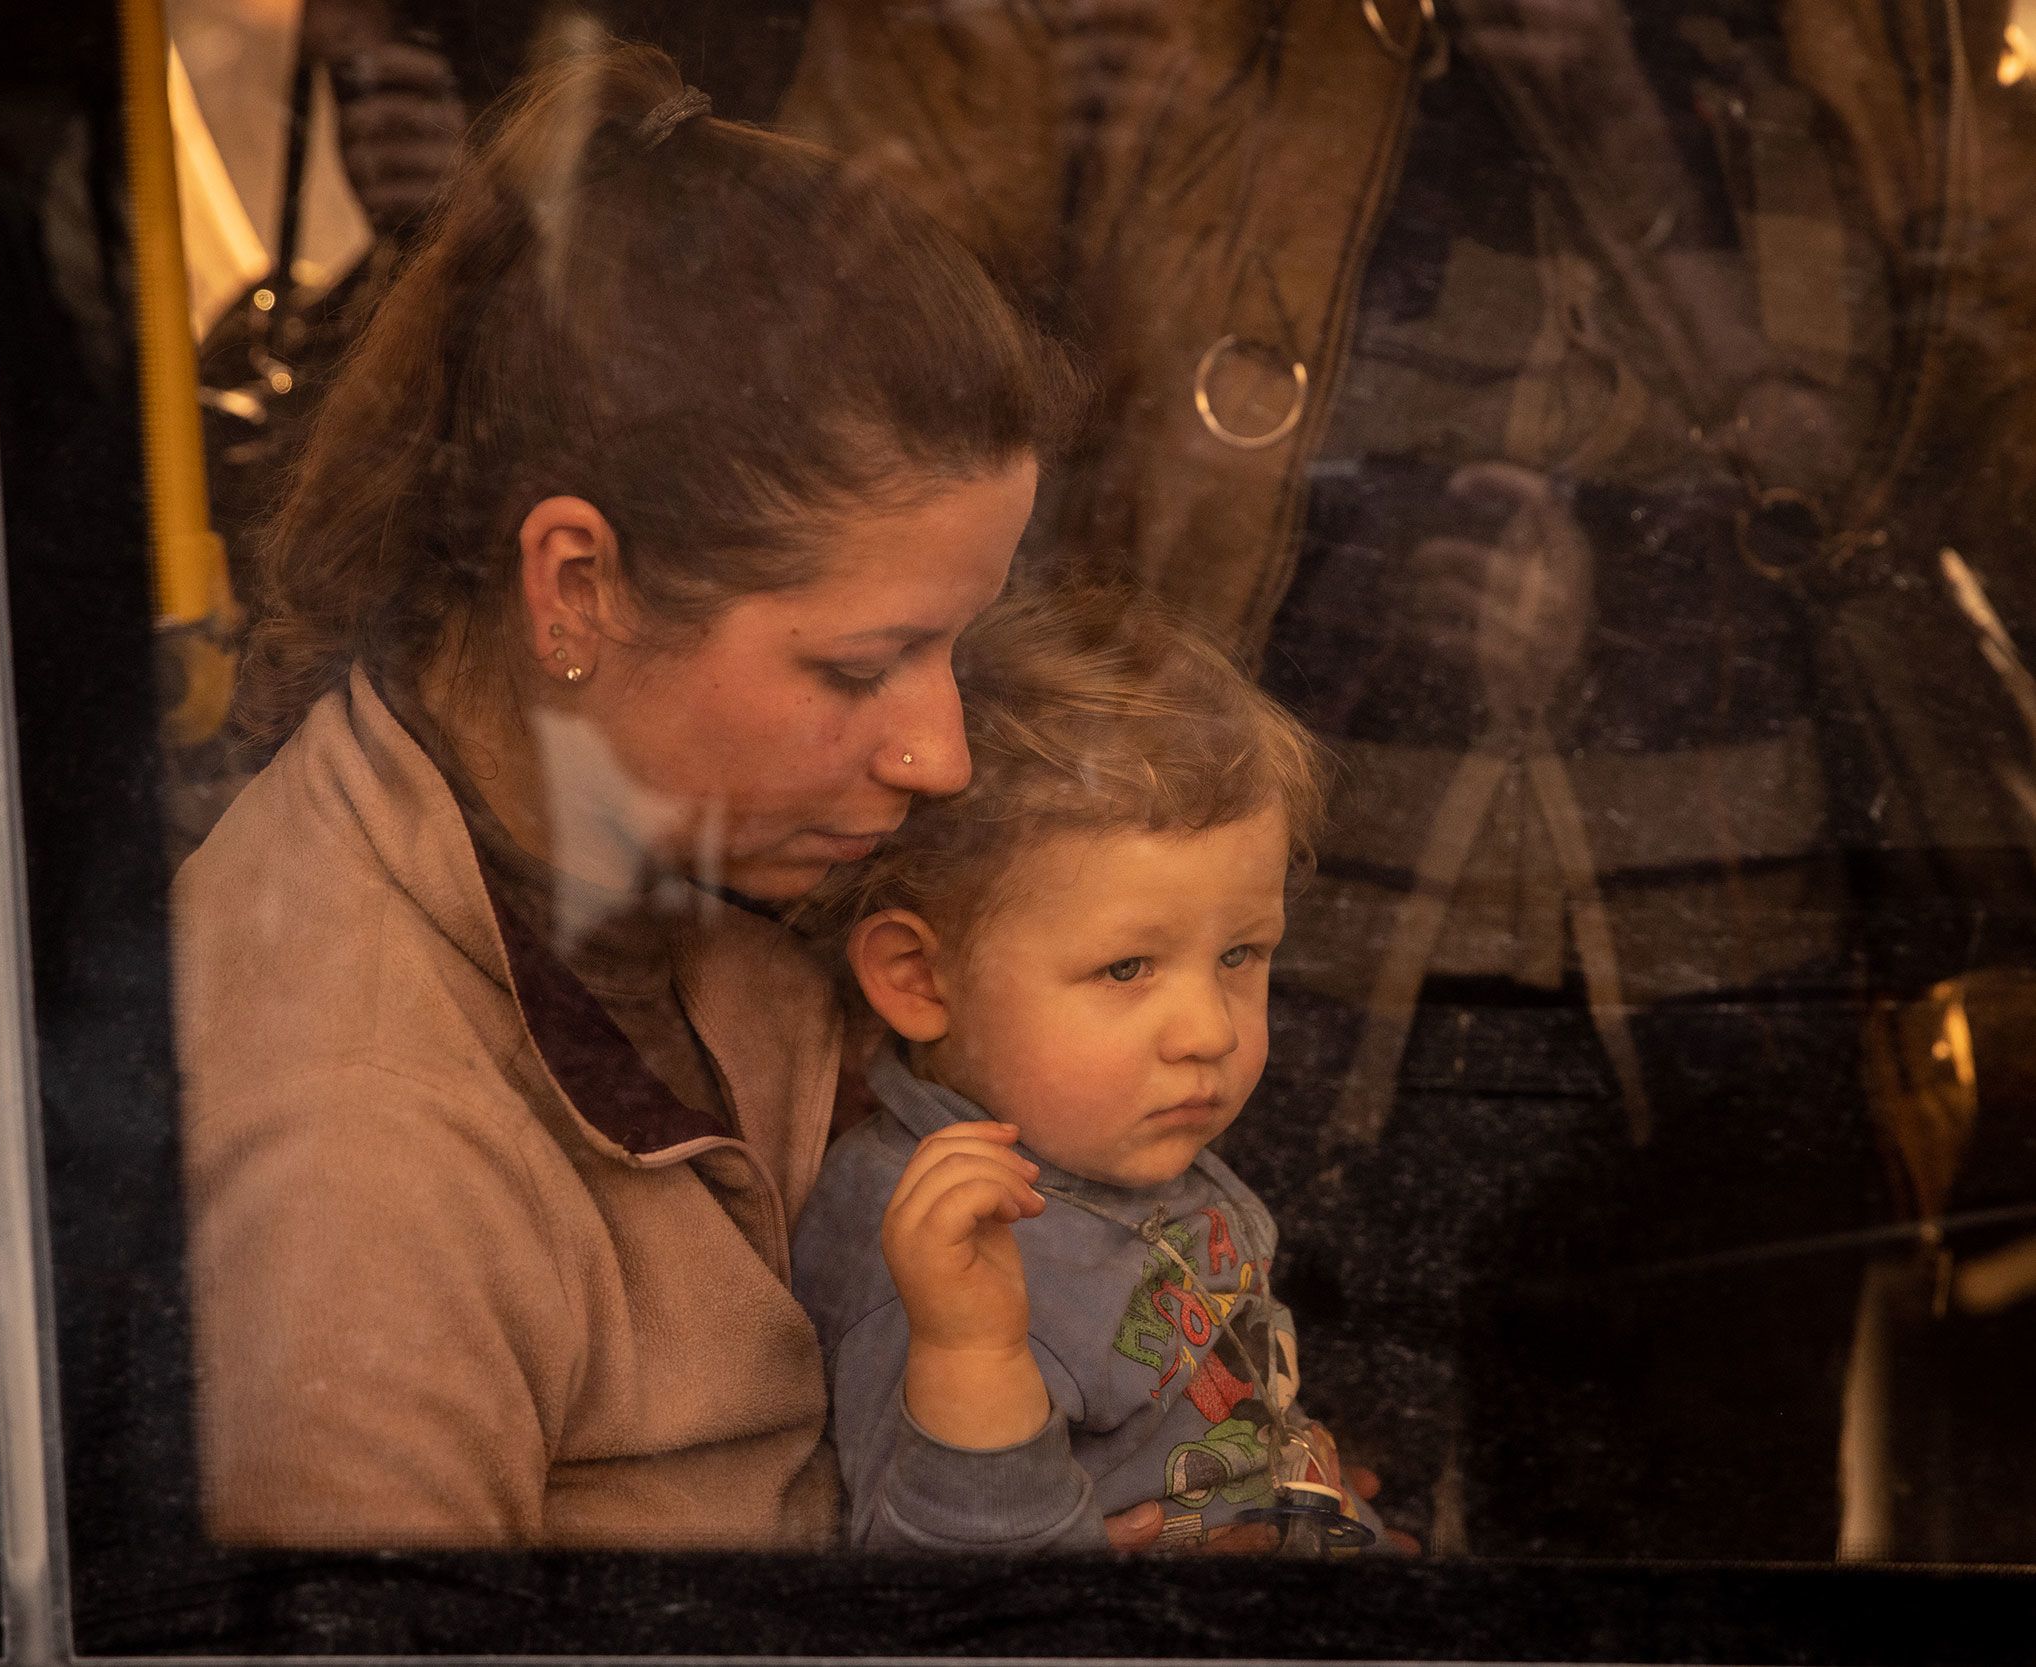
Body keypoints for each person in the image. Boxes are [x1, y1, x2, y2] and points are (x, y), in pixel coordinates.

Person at [779, 0, 2020, 1557]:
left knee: (1697, 1550)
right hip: (1255, 926)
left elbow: (1978, 398)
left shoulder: (1862, 34)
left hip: (1734, 965)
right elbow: (849, 389)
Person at [171, 45, 1088, 1547]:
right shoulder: (351, 1165)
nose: (946, 753)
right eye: (865, 665)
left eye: (957, 650)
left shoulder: (685, 871)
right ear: (577, 586)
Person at [792, 587, 1396, 1554]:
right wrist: (971, 1354)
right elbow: (942, 1600)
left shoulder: (1112, 1149)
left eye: (1241, 955)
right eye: (1127, 967)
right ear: (918, 978)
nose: (1208, 1029)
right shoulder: (934, 1262)